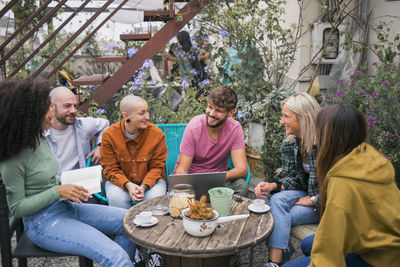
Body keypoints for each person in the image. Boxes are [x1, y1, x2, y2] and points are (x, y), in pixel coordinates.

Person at [0, 78, 135, 266]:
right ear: (30, 113)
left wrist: (65, 186)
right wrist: (58, 191)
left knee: (132, 223)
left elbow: (45, 179)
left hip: (64, 207)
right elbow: (17, 208)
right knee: (116, 257)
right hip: (43, 223)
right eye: (47, 107)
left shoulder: (40, 138)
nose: (51, 112)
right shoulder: (13, 157)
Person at [283, 104, 400, 267]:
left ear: (329, 136)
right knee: (307, 245)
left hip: (378, 258)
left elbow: (328, 255)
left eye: (319, 131)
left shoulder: (344, 180)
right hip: (390, 244)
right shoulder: (368, 157)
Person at [254, 92, 321, 267]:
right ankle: (275, 264)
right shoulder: (290, 142)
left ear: (305, 118)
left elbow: (341, 188)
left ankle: (274, 261)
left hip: (326, 204)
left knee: (279, 217)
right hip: (305, 194)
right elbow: (294, 178)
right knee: (276, 199)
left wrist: (315, 199)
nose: (281, 121)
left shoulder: (325, 143)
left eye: (286, 116)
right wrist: (273, 185)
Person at [175, 85, 249, 196]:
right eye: (210, 107)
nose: (211, 114)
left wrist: (215, 178)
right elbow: (181, 171)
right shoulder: (194, 127)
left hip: (219, 182)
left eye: (218, 111)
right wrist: (193, 186)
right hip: (193, 182)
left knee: (241, 186)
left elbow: (242, 170)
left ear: (231, 113)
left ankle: (224, 210)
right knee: (181, 192)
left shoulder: (235, 129)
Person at [100, 95, 168, 209]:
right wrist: (128, 185)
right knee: (116, 198)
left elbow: (157, 167)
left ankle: (154, 227)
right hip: (120, 182)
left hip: (151, 182)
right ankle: (123, 226)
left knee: (155, 198)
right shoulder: (109, 136)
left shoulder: (156, 134)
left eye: (147, 112)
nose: (147, 117)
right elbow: (110, 168)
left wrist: (144, 187)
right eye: (142, 113)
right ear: (126, 116)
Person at [43, 86, 109, 175]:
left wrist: (100, 146)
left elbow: (105, 125)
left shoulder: (82, 125)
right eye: (67, 106)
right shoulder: (41, 133)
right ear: (52, 107)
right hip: (54, 185)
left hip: (81, 183)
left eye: (75, 106)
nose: (73, 110)